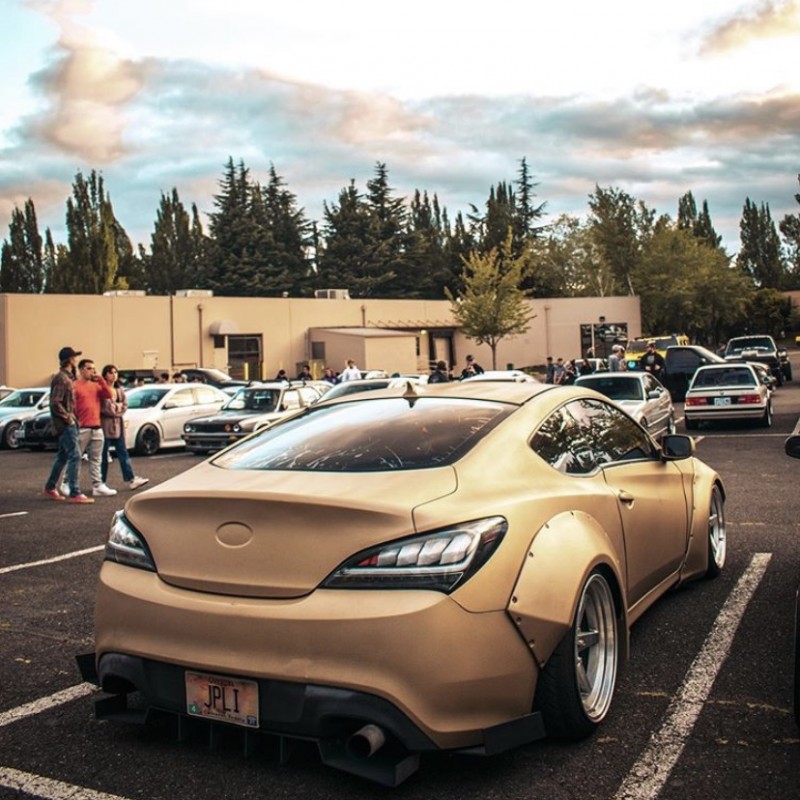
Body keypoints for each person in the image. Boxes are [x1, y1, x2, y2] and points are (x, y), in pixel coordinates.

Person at [43, 347, 94, 504]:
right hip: (65, 424)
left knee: (63, 455)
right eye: (74, 357)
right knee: (75, 455)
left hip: (69, 423)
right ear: (70, 360)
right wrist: (68, 418)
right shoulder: (62, 379)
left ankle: (50, 486)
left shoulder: (68, 378)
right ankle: (75, 491)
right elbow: (55, 402)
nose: (76, 360)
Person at [100, 365, 149, 491]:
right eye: (111, 372)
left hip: (118, 425)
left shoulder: (119, 390)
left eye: (115, 372)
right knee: (103, 455)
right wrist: (118, 407)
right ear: (105, 374)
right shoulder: (103, 390)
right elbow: (106, 407)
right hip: (105, 425)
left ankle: (131, 478)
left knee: (123, 452)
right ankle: (100, 482)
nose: (114, 375)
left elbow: (125, 405)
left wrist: (116, 408)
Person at [73, 358, 117, 497]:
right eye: (89, 368)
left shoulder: (96, 385)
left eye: (93, 368)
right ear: (81, 370)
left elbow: (108, 394)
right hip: (82, 427)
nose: (92, 371)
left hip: (97, 426)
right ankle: (69, 483)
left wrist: (101, 381)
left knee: (96, 459)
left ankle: (97, 485)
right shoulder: (75, 386)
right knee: (75, 458)